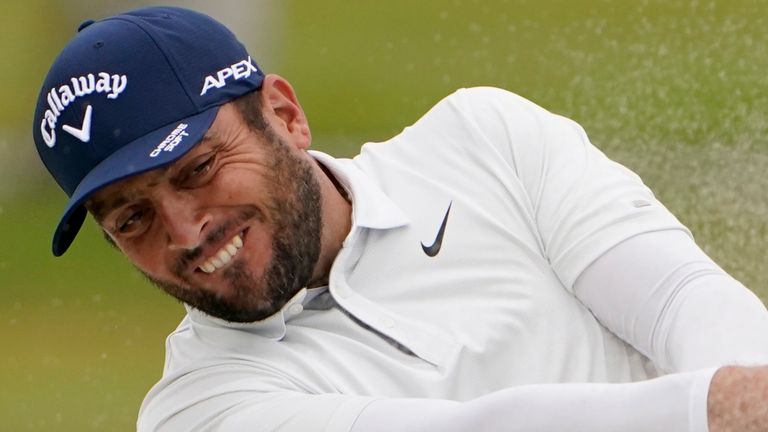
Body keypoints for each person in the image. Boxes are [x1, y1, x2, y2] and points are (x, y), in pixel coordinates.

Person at [32, 6, 768, 432]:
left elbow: (678, 298)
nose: (187, 232)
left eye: (198, 170)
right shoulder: (198, 411)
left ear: (285, 116)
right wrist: (711, 407)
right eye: (132, 220)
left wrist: (752, 387)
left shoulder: (486, 140)